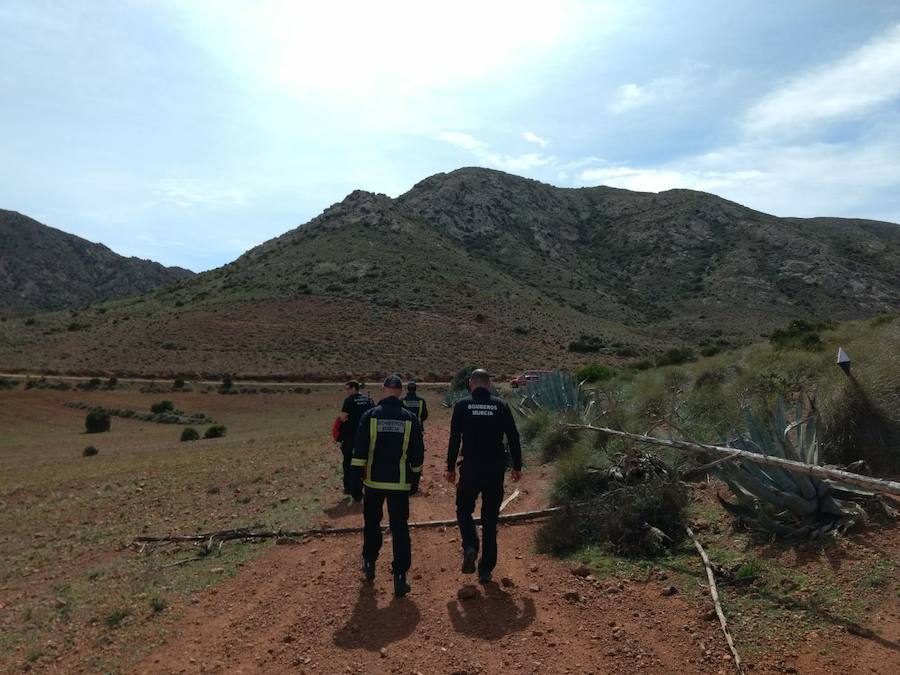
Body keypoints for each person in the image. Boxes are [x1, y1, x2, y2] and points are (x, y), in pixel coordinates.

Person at [350, 374, 425, 597]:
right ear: (400, 392)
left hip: (373, 484)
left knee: (372, 524)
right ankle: (400, 577)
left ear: (383, 390)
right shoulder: (410, 418)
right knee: (400, 529)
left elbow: (359, 451)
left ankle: (369, 564)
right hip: (399, 484)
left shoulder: (369, 416)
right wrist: (414, 481)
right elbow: (418, 456)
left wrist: (355, 483)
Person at [446, 368, 522, 584]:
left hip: (470, 468)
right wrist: (517, 466)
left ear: (471, 384)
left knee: (463, 510)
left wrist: (450, 467)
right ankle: (486, 570)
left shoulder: (462, 405)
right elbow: (513, 438)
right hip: (494, 470)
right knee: (490, 519)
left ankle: (470, 545)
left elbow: (454, 439)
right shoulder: (501, 405)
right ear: (489, 385)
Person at [338, 381, 374, 499]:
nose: (347, 391)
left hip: (351, 437)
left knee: (349, 462)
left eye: (348, 388)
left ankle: (349, 488)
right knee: (367, 462)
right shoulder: (369, 400)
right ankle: (367, 486)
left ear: (354, 388)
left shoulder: (349, 400)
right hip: (367, 437)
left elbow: (343, 418)